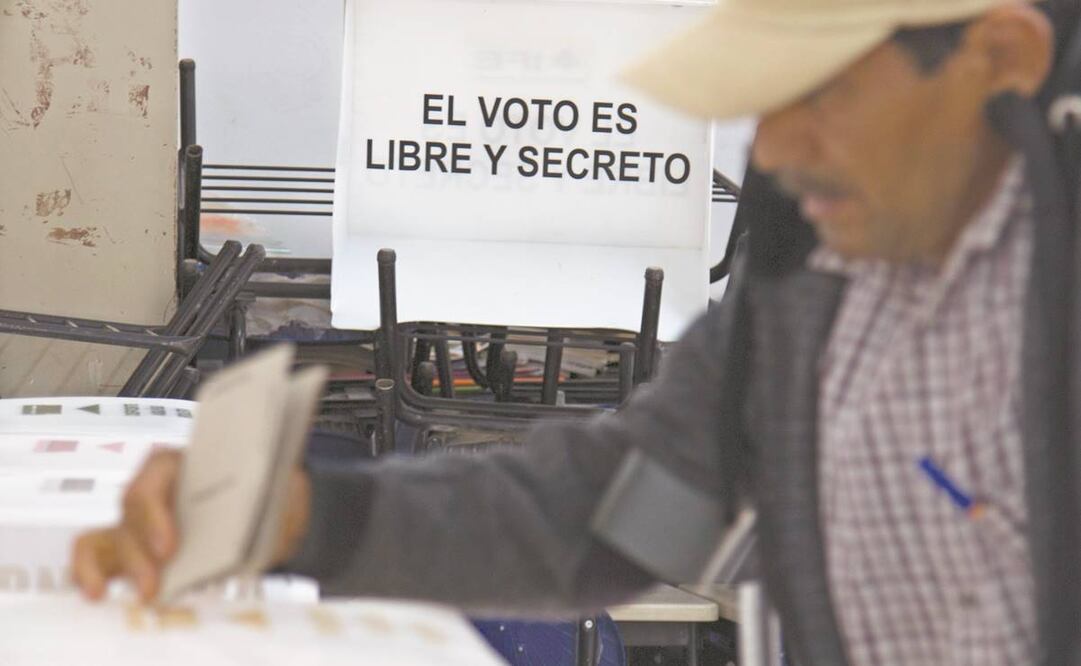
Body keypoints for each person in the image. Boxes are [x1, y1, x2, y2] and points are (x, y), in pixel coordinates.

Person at [72, 0, 1081, 663]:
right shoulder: (806, 282)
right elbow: (610, 524)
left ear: (998, 56)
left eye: (818, 95)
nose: (773, 150)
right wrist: (300, 519)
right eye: (758, 105)